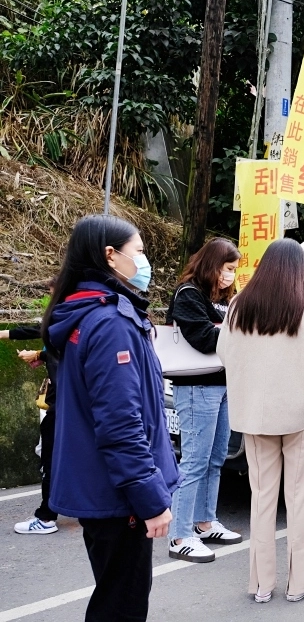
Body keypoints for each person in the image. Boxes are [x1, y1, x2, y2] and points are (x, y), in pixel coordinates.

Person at [43, 215, 177, 621]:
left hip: (103, 487)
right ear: (110, 256)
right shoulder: (109, 323)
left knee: (115, 593)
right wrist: (151, 500)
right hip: (120, 496)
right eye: (138, 251)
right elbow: (121, 425)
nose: (144, 261)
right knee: (122, 604)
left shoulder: (83, 314)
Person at [217, 238, 304, 604]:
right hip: (299, 414)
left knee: (262, 498)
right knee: (299, 499)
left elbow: (224, 353)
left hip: (254, 415)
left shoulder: (239, 305)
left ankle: (261, 585)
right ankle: (299, 582)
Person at [165, 238, 242, 563]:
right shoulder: (188, 295)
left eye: (234, 270)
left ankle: (205, 522)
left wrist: (228, 327)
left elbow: (225, 333)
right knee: (195, 461)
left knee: (215, 458)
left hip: (223, 385)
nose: (230, 276)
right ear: (213, 265)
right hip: (197, 387)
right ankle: (180, 535)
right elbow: (204, 339)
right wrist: (234, 329)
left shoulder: (222, 298)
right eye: (227, 269)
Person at [2, 288, 60, 536]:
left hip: (64, 404)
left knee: (50, 460)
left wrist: (39, 353)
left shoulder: (70, 313)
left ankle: (46, 517)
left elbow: (60, 344)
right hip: (76, 403)